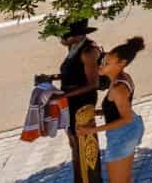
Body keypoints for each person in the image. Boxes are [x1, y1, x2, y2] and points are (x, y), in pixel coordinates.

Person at [94, 37, 146, 183]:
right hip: (128, 129)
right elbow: (117, 108)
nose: (102, 65)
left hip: (123, 133)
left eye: (107, 63)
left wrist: (91, 130)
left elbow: (126, 118)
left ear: (121, 64)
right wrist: (98, 113)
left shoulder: (119, 88)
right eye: (104, 60)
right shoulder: (119, 79)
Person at [56, 20, 102, 183]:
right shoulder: (73, 48)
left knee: (84, 143)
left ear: (77, 36)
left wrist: (64, 95)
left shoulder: (88, 51)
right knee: (74, 141)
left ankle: (90, 179)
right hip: (70, 100)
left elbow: (92, 84)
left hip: (82, 102)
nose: (62, 39)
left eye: (66, 36)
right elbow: (74, 73)